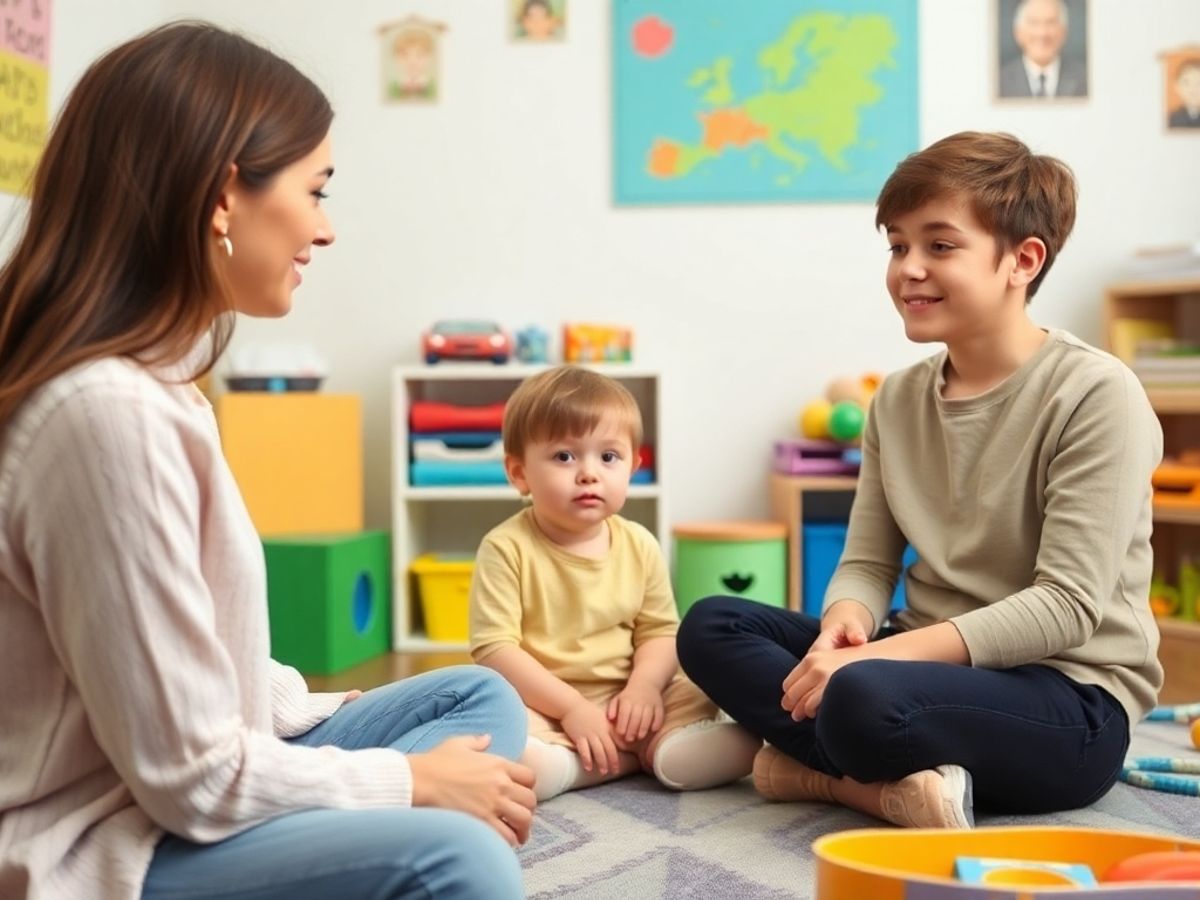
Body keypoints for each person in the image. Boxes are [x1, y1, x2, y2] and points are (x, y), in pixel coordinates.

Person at [0, 22, 535, 900]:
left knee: (478, 702)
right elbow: (191, 778)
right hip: (108, 843)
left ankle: (453, 796)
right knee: (456, 856)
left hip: (166, 791)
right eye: (315, 191)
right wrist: (407, 783)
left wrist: (345, 724)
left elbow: (197, 658)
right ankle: (456, 810)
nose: (323, 231)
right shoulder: (104, 418)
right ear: (222, 198)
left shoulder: (162, 385)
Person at [677, 131, 1163, 830]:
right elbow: (869, 562)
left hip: (1067, 698)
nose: (909, 268)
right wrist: (846, 625)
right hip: (921, 661)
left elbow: (1066, 605)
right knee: (712, 625)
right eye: (897, 245)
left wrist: (870, 661)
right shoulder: (898, 400)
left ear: (1022, 261)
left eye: (939, 246)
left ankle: (823, 774)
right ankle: (878, 783)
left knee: (863, 700)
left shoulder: (1097, 394)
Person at [470, 366, 760, 801]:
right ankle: (614, 760)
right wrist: (571, 709)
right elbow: (495, 650)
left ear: (633, 466)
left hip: (631, 699)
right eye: (565, 457)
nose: (588, 473)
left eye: (608, 457)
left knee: (700, 693)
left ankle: (653, 748)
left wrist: (643, 688)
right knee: (503, 733)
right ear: (519, 473)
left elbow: (660, 631)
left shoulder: (639, 543)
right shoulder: (505, 547)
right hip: (546, 702)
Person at [998, 0, 1087, 98]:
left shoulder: (1086, 80)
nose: (1042, 33)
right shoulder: (998, 83)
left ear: (1064, 31)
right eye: (1034, 22)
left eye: (1050, 22)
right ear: (1018, 32)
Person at [1168, 58, 1200, 128]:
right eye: (1187, 83)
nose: (1193, 89)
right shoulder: (1171, 119)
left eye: (1199, 83)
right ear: (1177, 86)